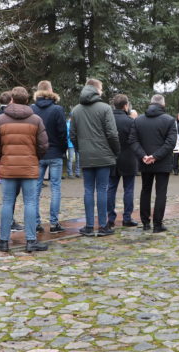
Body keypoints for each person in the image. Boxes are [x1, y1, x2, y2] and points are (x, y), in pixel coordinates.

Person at [0, 86, 50, 253]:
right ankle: (31, 240)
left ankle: (3, 241)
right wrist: (34, 157)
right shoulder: (36, 120)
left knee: (7, 202)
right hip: (29, 166)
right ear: (27, 100)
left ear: (12, 99)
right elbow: (43, 145)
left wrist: (4, 157)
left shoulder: (1, 119)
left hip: (8, 166)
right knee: (30, 202)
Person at [70, 78, 120, 237]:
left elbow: (73, 135)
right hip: (104, 155)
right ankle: (103, 226)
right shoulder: (105, 108)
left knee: (88, 190)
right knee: (102, 189)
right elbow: (112, 134)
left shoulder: (76, 110)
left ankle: (89, 226)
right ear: (97, 90)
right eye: (102, 88)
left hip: (86, 155)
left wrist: (80, 150)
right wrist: (116, 151)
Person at [130, 94, 178, 233]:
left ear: (151, 103)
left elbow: (133, 140)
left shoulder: (138, 120)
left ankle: (145, 223)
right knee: (161, 192)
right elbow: (170, 143)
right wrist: (155, 156)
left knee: (145, 190)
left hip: (146, 161)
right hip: (161, 161)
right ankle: (157, 224)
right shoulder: (169, 120)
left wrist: (144, 155)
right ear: (163, 104)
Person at [32, 80, 68, 234]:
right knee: (55, 188)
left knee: (35, 189)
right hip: (54, 152)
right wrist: (62, 149)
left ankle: (36, 223)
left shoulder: (32, 109)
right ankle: (54, 223)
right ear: (51, 90)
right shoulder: (57, 109)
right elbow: (62, 132)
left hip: (38, 153)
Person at [107, 94, 138, 230]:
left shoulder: (108, 120)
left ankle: (110, 218)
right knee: (129, 189)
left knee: (110, 188)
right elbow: (135, 140)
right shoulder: (131, 121)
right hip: (128, 158)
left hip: (111, 157)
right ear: (126, 106)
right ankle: (127, 218)